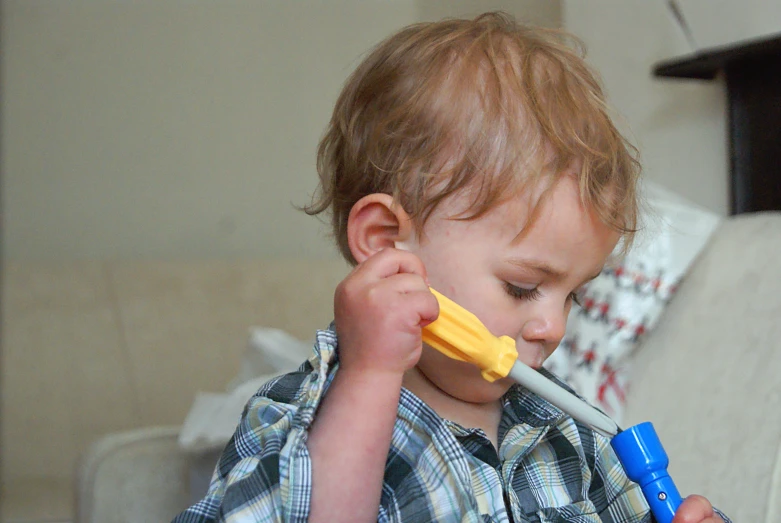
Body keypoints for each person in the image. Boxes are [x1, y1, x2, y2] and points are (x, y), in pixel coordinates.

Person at [174, 12, 730, 523]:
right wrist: (369, 377)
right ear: (387, 243)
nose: (554, 328)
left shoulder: (568, 432)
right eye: (522, 287)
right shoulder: (294, 421)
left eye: (573, 296)